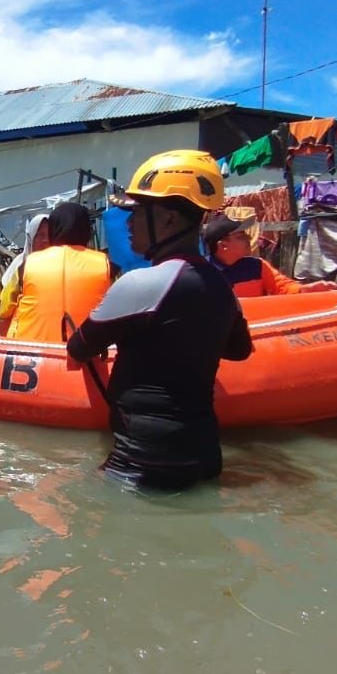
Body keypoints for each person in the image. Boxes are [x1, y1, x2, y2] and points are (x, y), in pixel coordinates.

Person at [65, 150, 253, 489]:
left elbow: (78, 347)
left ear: (168, 220)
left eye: (137, 211)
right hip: (206, 458)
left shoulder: (140, 284)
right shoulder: (224, 288)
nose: (128, 222)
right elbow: (239, 350)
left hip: (140, 464)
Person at [7, 202, 111, 342]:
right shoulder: (101, 262)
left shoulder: (31, 262)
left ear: (53, 230)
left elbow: (4, 312)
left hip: (38, 354)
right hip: (89, 354)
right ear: (86, 229)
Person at [203, 213, 337, 296]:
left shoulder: (257, 266)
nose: (249, 239)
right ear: (223, 245)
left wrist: (304, 289)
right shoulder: (202, 273)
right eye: (240, 236)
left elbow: (284, 287)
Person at [0, 213, 50, 334]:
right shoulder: (20, 267)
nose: (46, 240)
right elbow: (4, 315)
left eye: (50, 235)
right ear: (31, 238)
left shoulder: (58, 267)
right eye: (40, 235)